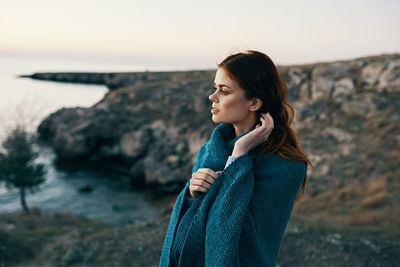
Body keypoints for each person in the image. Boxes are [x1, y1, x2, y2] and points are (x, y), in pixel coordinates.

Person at [159, 50, 311, 267]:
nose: (212, 97)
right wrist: (192, 195)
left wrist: (239, 155)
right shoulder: (210, 150)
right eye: (215, 88)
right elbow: (194, 224)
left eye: (224, 91)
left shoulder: (286, 167)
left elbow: (232, 237)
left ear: (254, 102)